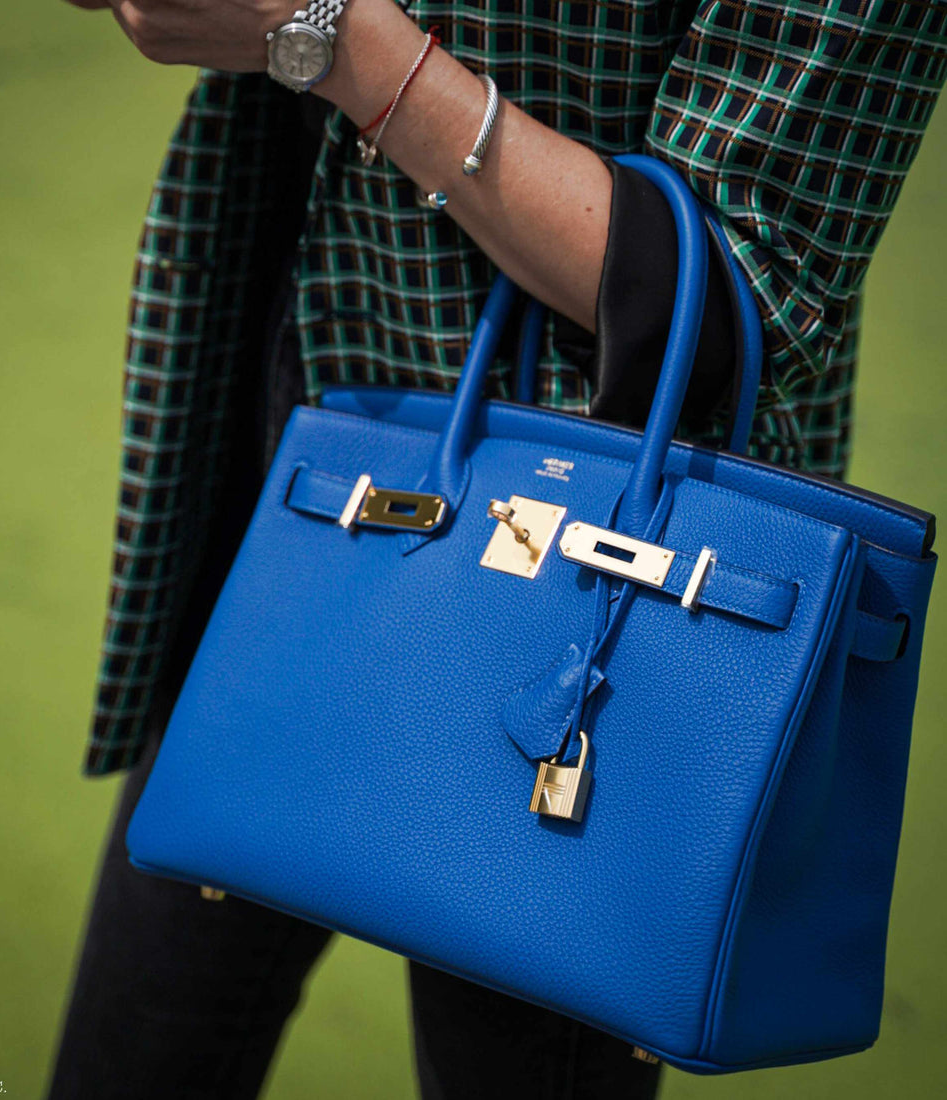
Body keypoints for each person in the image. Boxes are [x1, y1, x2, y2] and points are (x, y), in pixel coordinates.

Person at [47, 1, 947, 1096]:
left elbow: (736, 287)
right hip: (312, 444)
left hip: (607, 574)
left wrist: (323, 32)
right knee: (137, 1028)